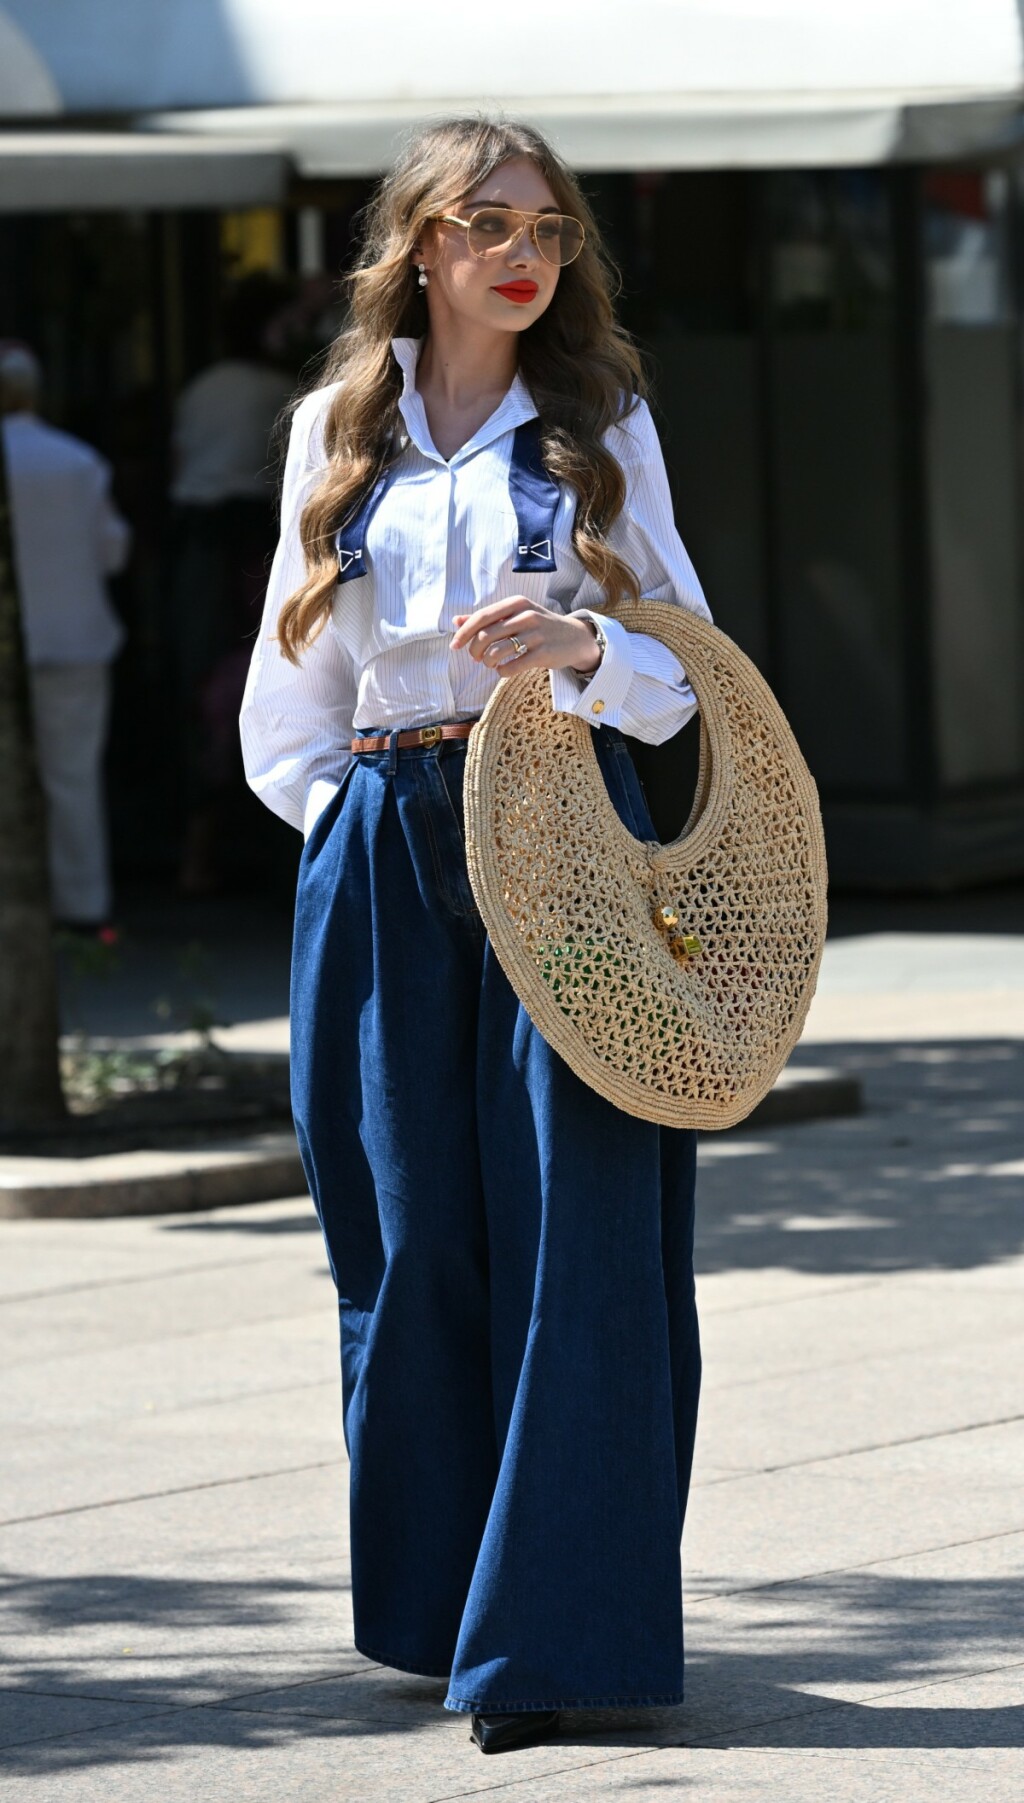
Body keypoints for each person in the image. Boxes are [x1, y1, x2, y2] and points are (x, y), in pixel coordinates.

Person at [240, 118, 711, 1757]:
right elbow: (285, 699)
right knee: (410, 1228)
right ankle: (442, 1604)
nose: (524, 253)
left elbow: (683, 665)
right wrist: (351, 833)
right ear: (420, 243)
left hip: (565, 837)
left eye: (549, 229)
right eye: (487, 222)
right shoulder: (335, 426)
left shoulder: (595, 425)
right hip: (380, 844)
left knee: (575, 1224)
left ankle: (550, 1637)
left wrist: (577, 645)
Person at [170, 274, 294, 894]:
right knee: (269, 687)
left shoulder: (202, 389)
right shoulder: (281, 391)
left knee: (208, 691)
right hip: (251, 551)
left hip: (203, 548)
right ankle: (259, 855)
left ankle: (200, 856)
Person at [0, 344, 131, 930]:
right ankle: (83, 907)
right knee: (72, 777)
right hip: (74, 638)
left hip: (21, 640)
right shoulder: (76, 460)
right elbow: (113, 550)